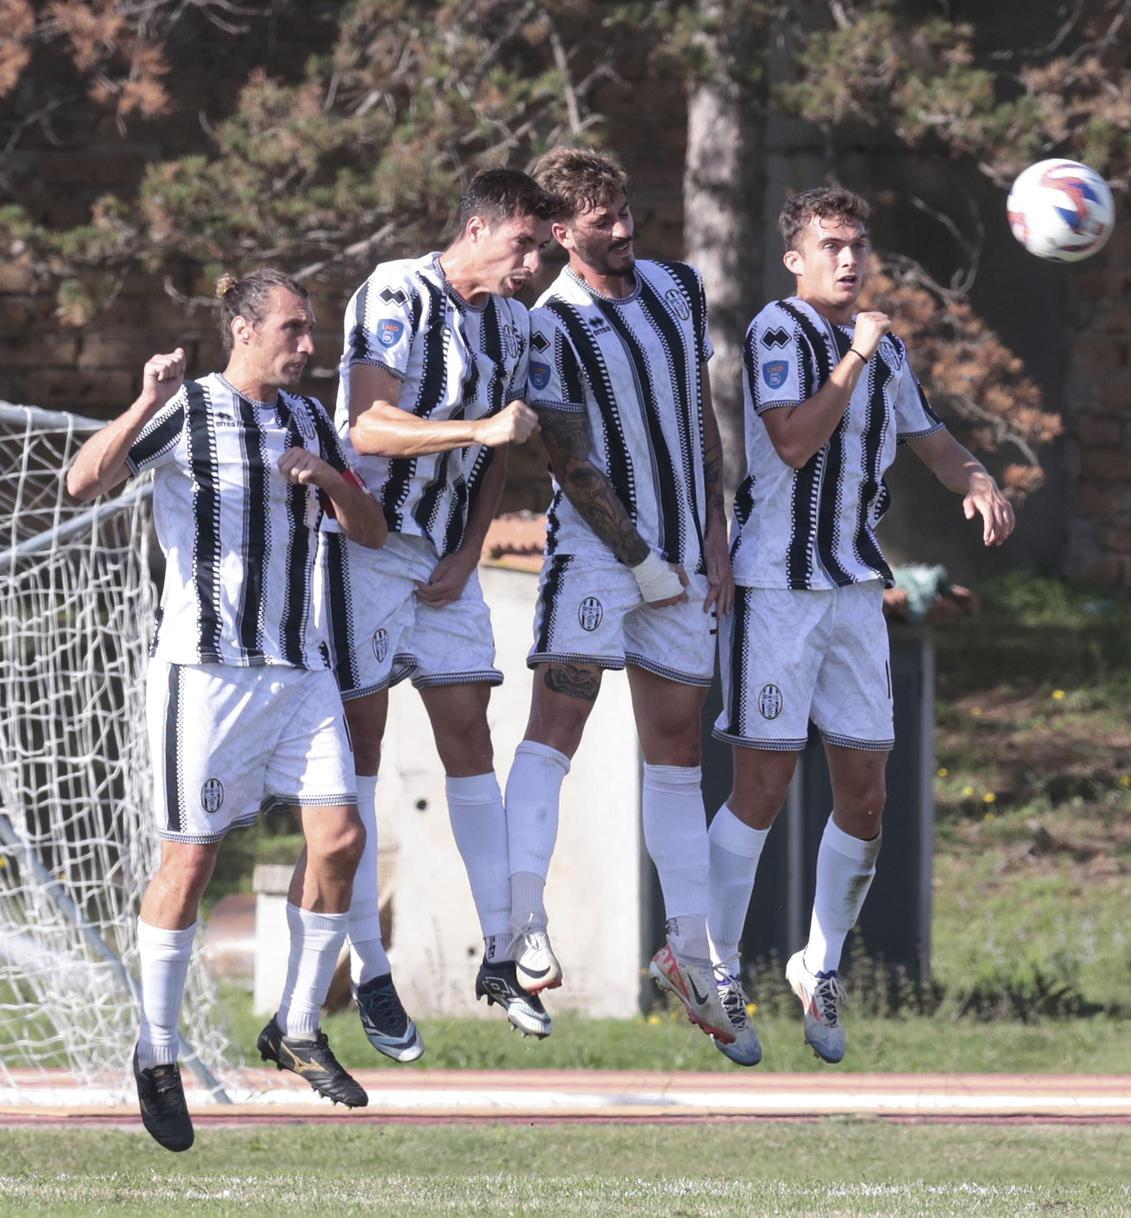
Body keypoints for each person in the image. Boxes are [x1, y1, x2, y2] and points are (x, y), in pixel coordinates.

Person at [66, 269, 388, 1151]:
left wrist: (328, 474)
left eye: (311, 330)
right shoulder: (188, 407)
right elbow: (81, 482)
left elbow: (371, 532)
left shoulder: (312, 419)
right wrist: (142, 401)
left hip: (299, 667)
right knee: (191, 863)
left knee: (342, 839)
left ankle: (295, 1024)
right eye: (293, 329)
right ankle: (157, 1053)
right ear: (243, 330)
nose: (309, 346)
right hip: (205, 676)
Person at [708, 184, 1015, 1065]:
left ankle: (818, 964)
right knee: (761, 788)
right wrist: (853, 354)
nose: (849, 259)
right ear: (795, 259)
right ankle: (720, 965)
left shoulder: (887, 349)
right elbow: (795, 441)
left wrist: (977, 480)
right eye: (831, 245)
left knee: (867, 797)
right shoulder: (779, 332)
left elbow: (931, 437)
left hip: (852, 591)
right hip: (776, 588)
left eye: (858, 245)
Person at [315, 168, 560, 1047]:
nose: (534, 261)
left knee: (469, 735)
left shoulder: (516, 323)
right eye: (523, 242)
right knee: (362, 750)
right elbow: (367, 427)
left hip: (445, 561)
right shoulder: (396, 288)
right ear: (479, 228)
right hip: (369, 551)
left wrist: (469, 550)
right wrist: (478, 429)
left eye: (541, 247)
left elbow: (505, 447)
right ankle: (373, 975)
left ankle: (498, 954)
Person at [510, 146, 736, 1045]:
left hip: (682, 553)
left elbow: (698, 411)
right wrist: (637, 556)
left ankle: (688, 948)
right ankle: (520, 925)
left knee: (677, 744)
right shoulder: (548, 324)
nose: (624, 227)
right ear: (562, 233)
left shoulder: (678, 288)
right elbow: (567, 457)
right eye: (602, 218)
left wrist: (712, 531)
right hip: (602, 557)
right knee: (555, 727)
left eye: (626, 208)